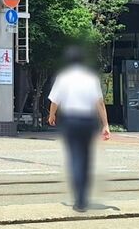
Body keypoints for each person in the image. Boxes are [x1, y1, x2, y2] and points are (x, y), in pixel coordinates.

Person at [47, 46, 111, 212]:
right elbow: (99, 103)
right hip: (88, 121)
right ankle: (83, 199)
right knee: (86, 159)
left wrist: (52, 115)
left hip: (71, 121)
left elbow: (55, 101)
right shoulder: (91, 78)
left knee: (75, 157)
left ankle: (79, 201)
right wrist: (105, 124)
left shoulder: (63, 77)